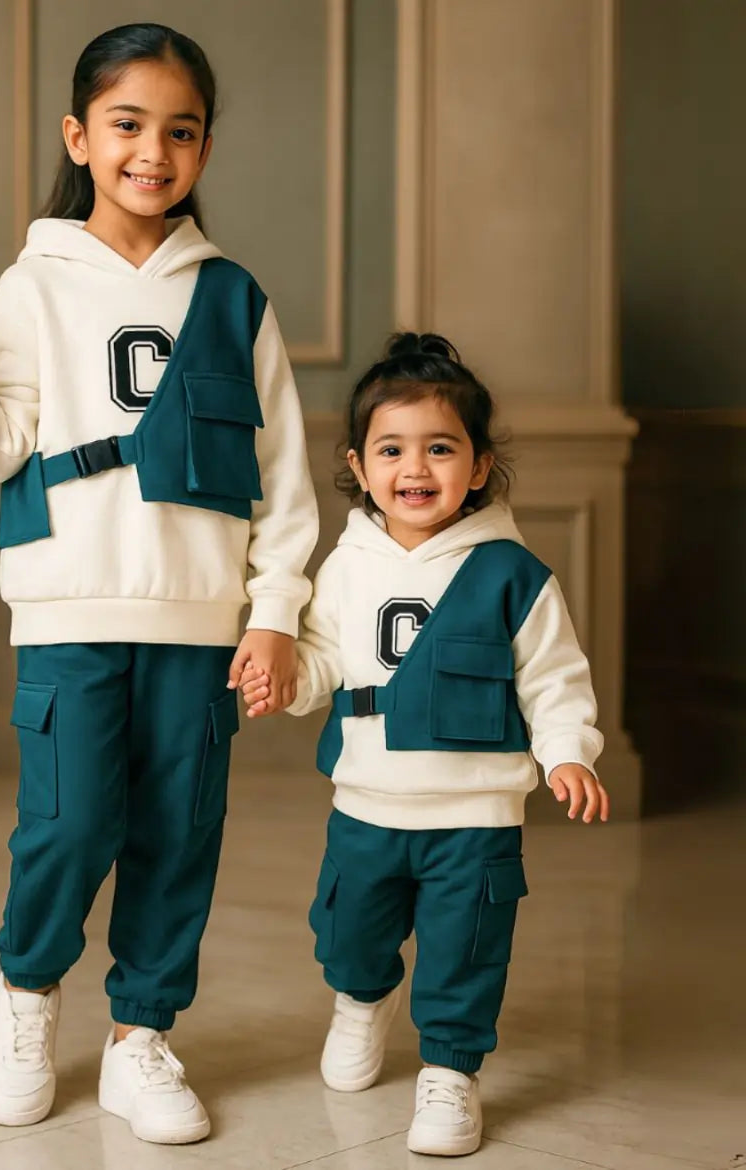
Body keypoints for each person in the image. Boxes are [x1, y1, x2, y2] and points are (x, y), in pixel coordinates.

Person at [0, 22, 317, 1146]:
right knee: (68, 827)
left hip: (201, 621)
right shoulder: (34, 284)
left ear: (205, 148)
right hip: (70, 606)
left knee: (179, 831)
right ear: (80, 136)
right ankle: (25, 1001)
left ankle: (140, 1038)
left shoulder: (235, 298)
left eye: (182, 131)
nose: (152, 152)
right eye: (128, 125)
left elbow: (282, 479)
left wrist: (273, 615)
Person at [240, 333, 608, 1157]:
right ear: (359, 465)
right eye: (392, 449)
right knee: (349, 934)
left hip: (476, 816)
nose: (416, 467)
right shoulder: (346, 566)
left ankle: (450, 1071)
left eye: (440, 448)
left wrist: (567, 752)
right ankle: (362, 1000)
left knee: (464, 951)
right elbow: (325, 656)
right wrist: (291, 681)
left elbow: (553, 677)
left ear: (478, 466)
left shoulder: (513, 574)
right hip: (367, 805)